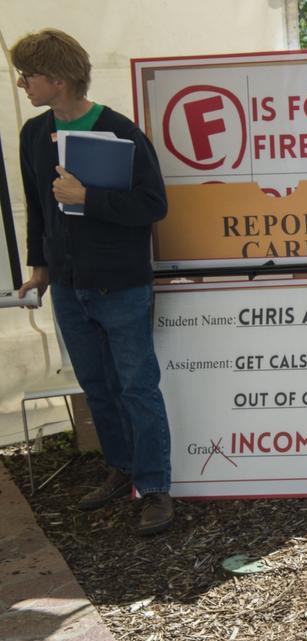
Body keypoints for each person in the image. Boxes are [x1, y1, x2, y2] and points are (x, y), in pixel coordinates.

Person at [13, 29, 175, 535]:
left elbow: (154, 206)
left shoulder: (120, 131)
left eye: (29, 75)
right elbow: (39, 208)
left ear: (57, 80)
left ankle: (154, 489)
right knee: (97, 388)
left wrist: (88, 198)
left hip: (121, 286)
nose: (21, 83)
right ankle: (120, 468)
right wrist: (39, 266)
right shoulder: (33, 135)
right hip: (68, 286)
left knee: (136, 388)